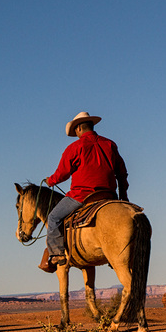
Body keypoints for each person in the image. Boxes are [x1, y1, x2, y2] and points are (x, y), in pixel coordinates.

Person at [41, 111, 129, 270]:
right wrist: (124, 197)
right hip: (109, 196)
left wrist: (50, 181)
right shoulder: (110, 144)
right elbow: (122, 174)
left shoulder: (75, 147)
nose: (76, 133)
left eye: (76, 130)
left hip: (82, 196)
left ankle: (57, 254)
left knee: (54, 217)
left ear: (79, 128)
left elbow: (62, 173)